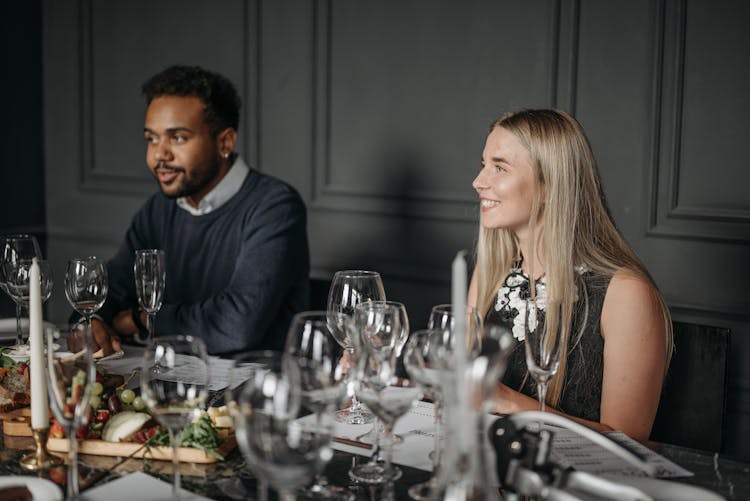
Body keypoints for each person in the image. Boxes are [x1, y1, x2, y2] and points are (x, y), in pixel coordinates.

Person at [468, 109, 672, 442]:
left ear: (550, 186)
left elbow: (630, 445)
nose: (478, 182)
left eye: (499, 167)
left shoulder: (625, 293)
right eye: (483, 164)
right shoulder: (491, 272)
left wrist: (506, 401)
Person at [86, 65, 309, 356]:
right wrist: (93, 321)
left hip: (253, 391)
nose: (159, 155)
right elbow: (112, 286)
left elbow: (235, 325)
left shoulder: (275, 207)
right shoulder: (159, 209)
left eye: (177, 137)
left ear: (225, 142)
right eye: (152, 138)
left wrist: (144, 320)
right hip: (172, 383)